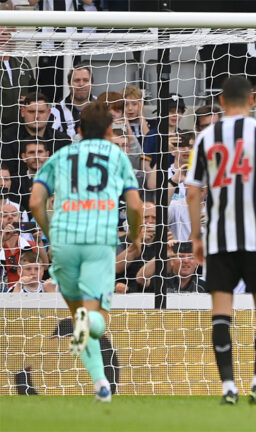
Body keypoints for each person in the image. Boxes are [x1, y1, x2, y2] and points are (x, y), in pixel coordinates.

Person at [185, 75, 256, 405]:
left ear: (220, 102)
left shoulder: (206, 136)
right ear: (251, 101)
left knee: (222, 312)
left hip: (219, 238)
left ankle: (228, 387)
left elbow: (193, 192)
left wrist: (195, 235)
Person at [28, 101, 143, 402]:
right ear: (109, 131)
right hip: (98, 243)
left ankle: (101, 383)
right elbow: (134, 205)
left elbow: (35, 202)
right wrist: (133, 236)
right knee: (94, 317)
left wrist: (50, 232)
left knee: (78, 315)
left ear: (78, 130)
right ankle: (89, 335)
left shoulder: (61, 155)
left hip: (63, 242)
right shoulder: (117, 155)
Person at [1, 93, 71, 180]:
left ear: (49, 113)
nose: (36, 117)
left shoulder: (62, 140)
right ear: (23, 112)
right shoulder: (8, 138)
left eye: (41, 112)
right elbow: (7, 175)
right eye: (31, 112)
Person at [50, 64, 95, 140]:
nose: (81, 84)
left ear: (92, 84)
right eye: (77, 80)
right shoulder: (56, 111)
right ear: (69, 84)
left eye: (86, 80)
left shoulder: (103, 107)